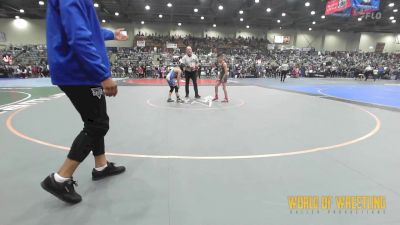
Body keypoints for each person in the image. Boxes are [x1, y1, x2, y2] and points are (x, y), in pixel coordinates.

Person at [41, 0, 129, 204]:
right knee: (98, 124)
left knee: (94, 121)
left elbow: (87, 28)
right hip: (79, 72)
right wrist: (103, 74)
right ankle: (60, 178)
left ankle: (101, 166)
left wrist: (111, 34)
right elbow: (79, 37)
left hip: (79, 71)